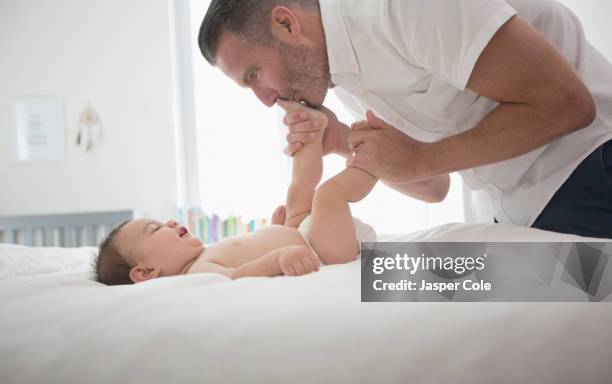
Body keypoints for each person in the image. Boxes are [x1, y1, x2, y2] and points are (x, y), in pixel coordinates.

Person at [197, 0, 612, 239]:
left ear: (286, 23)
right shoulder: (340, 70)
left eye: (255, 75)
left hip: (589, 172)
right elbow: (432, 186)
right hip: (516, 209)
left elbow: (566, 103)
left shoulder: (397, 6)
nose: (266, 100)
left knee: (414, 290)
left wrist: (421, 160)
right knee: (399, 283)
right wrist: (341, 140)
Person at [95, 101, 377, 285]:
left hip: (303, 236)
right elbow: (239, 274)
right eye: (155, 229)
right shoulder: (197, 274)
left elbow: (248, 251)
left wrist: (278, 230)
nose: (168, 223)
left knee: (298, 191)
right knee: (327, 196)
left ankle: (312, 130)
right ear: (146, 272)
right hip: (325, 251)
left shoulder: (204, 253)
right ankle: (375, 158)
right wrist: (278, 258)